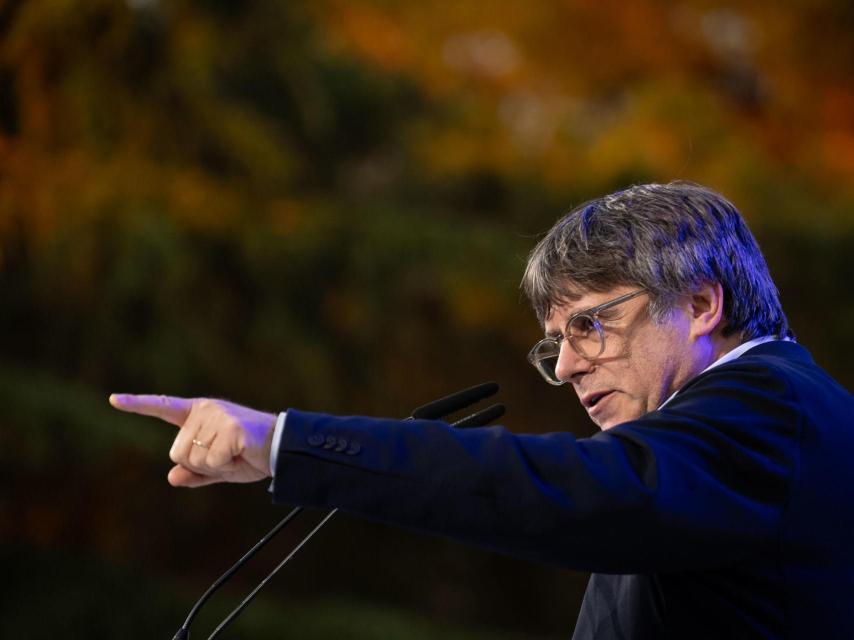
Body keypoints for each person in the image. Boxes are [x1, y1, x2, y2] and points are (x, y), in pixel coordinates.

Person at [110, 181, 854, 639]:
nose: (564, 366)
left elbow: (571, 490)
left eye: (588, 325)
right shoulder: (742, 430)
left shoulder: (770, 407)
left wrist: (284, 441)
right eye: (554, 343)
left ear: (698, 304)